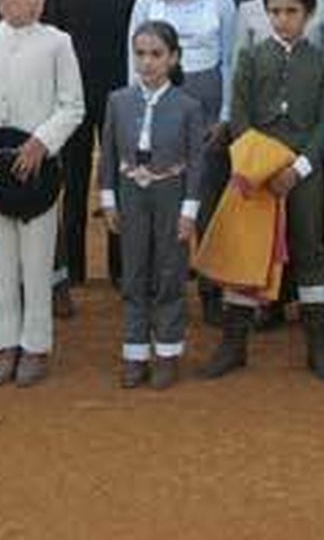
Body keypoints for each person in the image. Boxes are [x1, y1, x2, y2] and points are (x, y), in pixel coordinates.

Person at [200, 0, 324, 382]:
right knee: (247, 249)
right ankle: (233, 344)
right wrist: (256, 165)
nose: (282, 19)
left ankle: (319, 347)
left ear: (309, 14)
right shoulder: (250, 57)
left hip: (302, 173)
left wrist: (297, 168)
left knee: (309, 249)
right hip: (254, 173)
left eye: (291, 11)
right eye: (274, 11)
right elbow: (239, 118)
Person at [0, 0, 85, 388]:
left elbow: (72, 106)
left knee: (36, 258)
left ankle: (35, 345)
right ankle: (4, 342)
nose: (33, 1)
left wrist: (41, 143)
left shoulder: (57, 43)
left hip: (38, 167)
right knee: (0, 258)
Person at [128, 0, 240, 322]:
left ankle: (212, 294)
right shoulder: (147, 2)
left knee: (208, 207)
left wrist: (225, 116)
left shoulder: (222, 3)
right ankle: (163, 293)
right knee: (163, 206)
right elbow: (134, 65)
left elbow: (230, 62)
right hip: (161, 114)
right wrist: (138, 119)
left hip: (209, 117)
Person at [45, 0, 145, 307]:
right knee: (73, 180)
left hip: (117, 95)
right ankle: (74, 268)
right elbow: (53, 41)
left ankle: (120, 269)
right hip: (72, 99)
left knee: (120, 180)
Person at [100, 21, 205, 389]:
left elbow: (197, 162)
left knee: (170, 271)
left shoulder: (189, 106)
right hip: (131, 195)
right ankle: (135, 353)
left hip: (171, 195)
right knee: (134, 273)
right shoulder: (118, 100)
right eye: (140, 54)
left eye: (156, 54)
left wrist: (189, 211)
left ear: (173, 58)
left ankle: (167, 353)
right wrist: (108, 199)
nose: (147, 63)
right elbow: (108, 155)